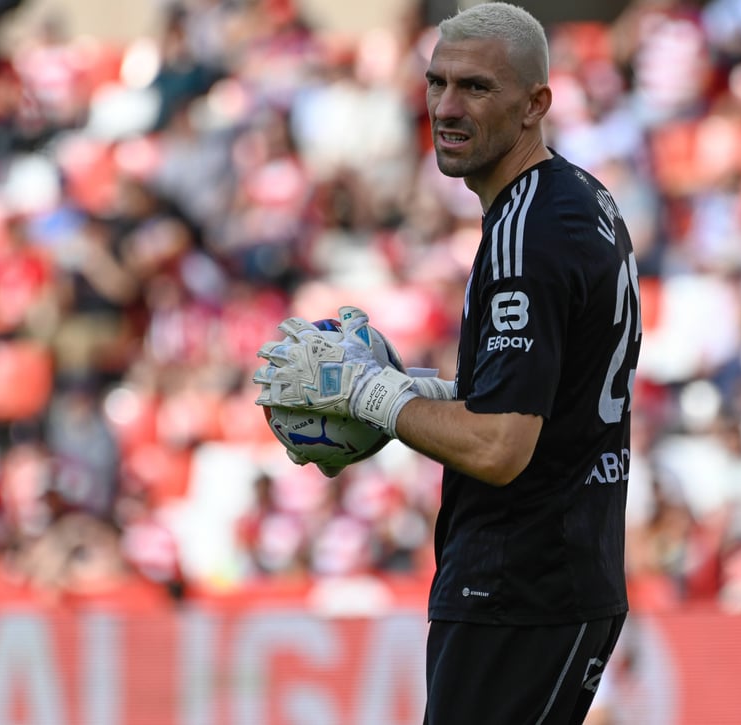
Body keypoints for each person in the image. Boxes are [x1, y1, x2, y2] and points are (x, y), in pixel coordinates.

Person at [252, 3, 641, 722]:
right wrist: (416, 391)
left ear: (536, 105)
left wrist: (370, 393)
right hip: (554, 575)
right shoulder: (574, 196)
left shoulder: (528, 232)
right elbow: (547, 395)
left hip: (522, 582)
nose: (447, 107)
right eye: (437, 83)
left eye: (476, 87)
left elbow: (499, 446)